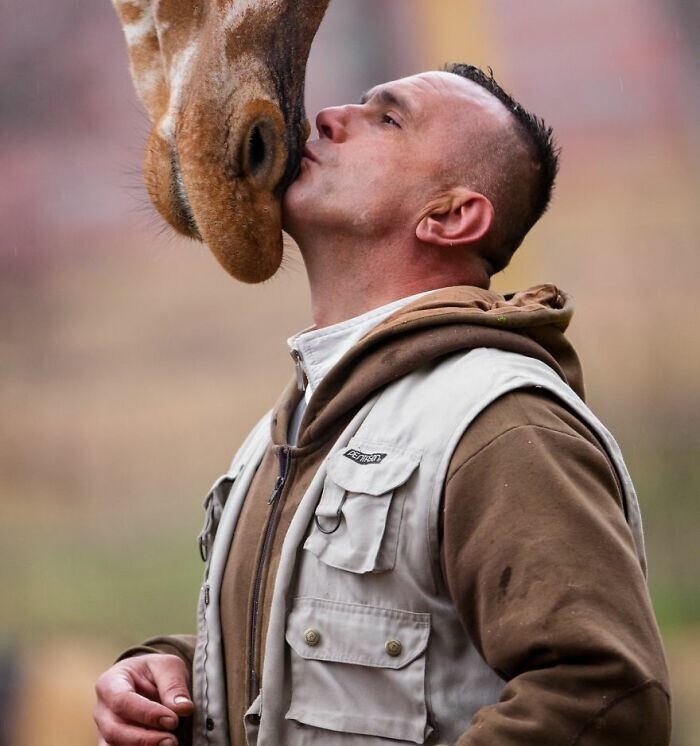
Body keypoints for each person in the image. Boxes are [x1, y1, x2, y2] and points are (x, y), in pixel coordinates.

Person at [94, 65, 671, 746]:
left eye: (387, 119)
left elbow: (603, 699)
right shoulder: (304, 418)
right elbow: (346, 646)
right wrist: (176, 673)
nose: (330, 115)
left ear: (451, 217)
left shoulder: (501, 425)